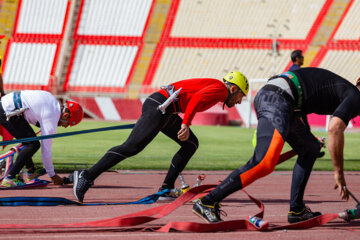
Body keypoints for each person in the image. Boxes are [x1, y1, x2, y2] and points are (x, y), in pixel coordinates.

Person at [192, 67, 360, 224]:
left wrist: (305, 134)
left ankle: (297, 210)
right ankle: (208, 201)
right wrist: (339, 172)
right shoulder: (355, 95)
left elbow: (302, 92)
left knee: (310, 148)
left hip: (283, 100)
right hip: (278, 100)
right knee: (264, 162)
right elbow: (335, 128)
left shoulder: (342, 89)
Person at [72, 71, 249, 203]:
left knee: (191, 144)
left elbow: (192, 98)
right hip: (161, 106)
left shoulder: (217, 88)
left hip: (165, 108)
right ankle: (86, 176)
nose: (240, 101)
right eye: (241, 96)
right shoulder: (220, 89)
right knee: (132, 147)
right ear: (233, 89)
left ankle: (166, 189)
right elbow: (195, 100)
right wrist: (186, 124)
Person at [0, 90, 84, 187]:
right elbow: (46, 150)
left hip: (8, 106)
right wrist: (52, 175)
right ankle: (10, 178)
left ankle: (31, 170)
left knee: (30, 142)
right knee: (32, 144)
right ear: (66, 115)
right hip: (8, 110)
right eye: (67, 123)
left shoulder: (53, 103)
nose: (65, 126)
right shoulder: (52, 116)